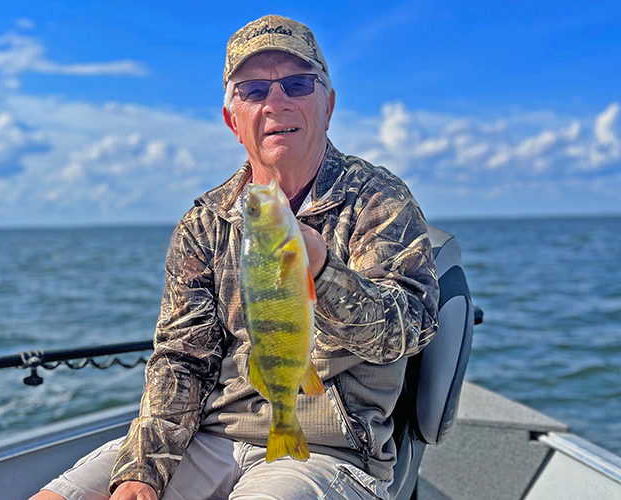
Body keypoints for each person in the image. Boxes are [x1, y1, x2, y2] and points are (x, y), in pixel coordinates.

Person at [31, 14, 438, 500]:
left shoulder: (377, 200)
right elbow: (181, 359)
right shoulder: (205, 222)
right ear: (232, 119)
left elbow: (407, 332)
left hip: (328, 450)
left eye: (297, 83)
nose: (276, 102)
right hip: (208, 437)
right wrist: (143, 471)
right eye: (254, 90)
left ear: (327, 105)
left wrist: (323, 271)